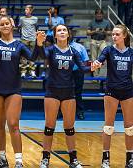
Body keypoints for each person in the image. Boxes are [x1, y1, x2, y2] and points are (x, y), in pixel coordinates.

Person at [0, 14, 45, 168]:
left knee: (13, 124)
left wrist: (39, 44)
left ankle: (19, 160)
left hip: (13, 89)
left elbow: (32, 58)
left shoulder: (19, 45)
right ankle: (2, 158)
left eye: (7, 23)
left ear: (12, 26)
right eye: (2, 24)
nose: (5, 26)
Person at [39, 24, 92, 168]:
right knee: (49, 126)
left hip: (69, 92)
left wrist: (94, 66)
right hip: (52, 91)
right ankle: (45, 158)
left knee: (69, 127)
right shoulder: (50, 49)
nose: (62, 32)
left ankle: (73, 159)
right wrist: (39, 43)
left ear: (68, 34)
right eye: (59, 30)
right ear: (55, 35)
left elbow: (83, 68)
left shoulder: (74, 51)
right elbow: (41, 55)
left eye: (64, 30)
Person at [92, 24, 133, 168]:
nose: (114, 36)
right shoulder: (109, 50)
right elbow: (100, 59)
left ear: (124, 36)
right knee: (108, 127)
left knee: (129, 128)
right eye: (113, 34)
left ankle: (129, 158)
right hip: (111, 91)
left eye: (117, 34)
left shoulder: (131, 53)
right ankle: (105, 158)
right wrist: (96, 64)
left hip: (128, 91)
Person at [87, 9, 112, 77]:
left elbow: (110, 32)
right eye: (97, 14)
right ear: (95, 15)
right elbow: (88, 32)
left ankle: (102, 75)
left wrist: (104, 32)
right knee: (94, 59)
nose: (99, 15)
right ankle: (96, 76)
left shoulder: (106, 22)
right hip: (93, 40)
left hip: (102, 41)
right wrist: (95, 31)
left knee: (104, 57)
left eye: (100, 14)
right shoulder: (92, 22)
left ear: (102, 15)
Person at [70, 38, 89, 120]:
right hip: (64, 73)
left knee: (78, 92)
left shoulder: (80, 47)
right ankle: (60, 112)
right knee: (63, 92)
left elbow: (85, 60)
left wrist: (82, 70)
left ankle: (79, 111)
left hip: (78, 72)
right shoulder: (59, 47)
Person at [18, 5, 38, 78]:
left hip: (33, 39)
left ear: (31, 11)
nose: (25, 11)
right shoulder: (22, 19)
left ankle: (32, 71)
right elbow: (19, 27)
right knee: (23, 56)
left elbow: (36, 28)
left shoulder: (35, 19)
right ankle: (23, 72)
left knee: (32, 56)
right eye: (25, 9)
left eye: (27, 9)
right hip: (24, 39)